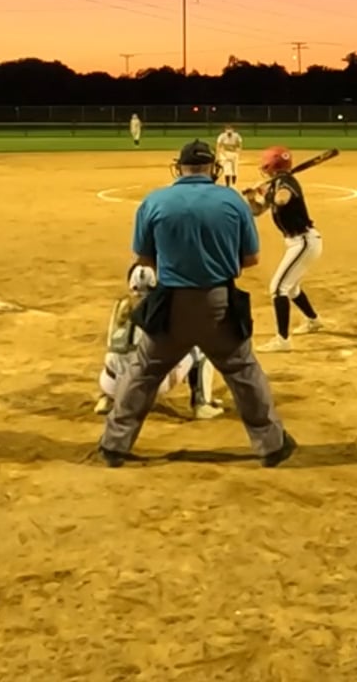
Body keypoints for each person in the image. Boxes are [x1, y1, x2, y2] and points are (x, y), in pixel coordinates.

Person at [98, 139, 294, 468]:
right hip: (219, 305)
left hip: (170, 305)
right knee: (243, 371)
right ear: (213, 169)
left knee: (143, 372)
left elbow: (144, 258)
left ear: (180, 168)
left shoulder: (154, 201)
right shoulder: (233, 201)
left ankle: (114, 446)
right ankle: (271, 446)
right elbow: (251, 259)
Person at [94, 263, 221, 420]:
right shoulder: (165, 307)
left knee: (118, 353)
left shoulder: (120, 306)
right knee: (201, 346)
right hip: (149, 386)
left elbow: (112, 344)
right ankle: (201, 404)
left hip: (111, 383)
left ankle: (107, 399)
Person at [246, 145, 323, 352]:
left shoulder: (286, 183)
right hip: (297, 242)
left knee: (278, 288)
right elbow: (257, 211)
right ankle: (314, 320)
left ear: (270, 166)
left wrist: (266, 191)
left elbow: (282, 199)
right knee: (292, 288)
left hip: (304, 241)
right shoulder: (277, 183)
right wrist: (252, 197)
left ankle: (283, 340)